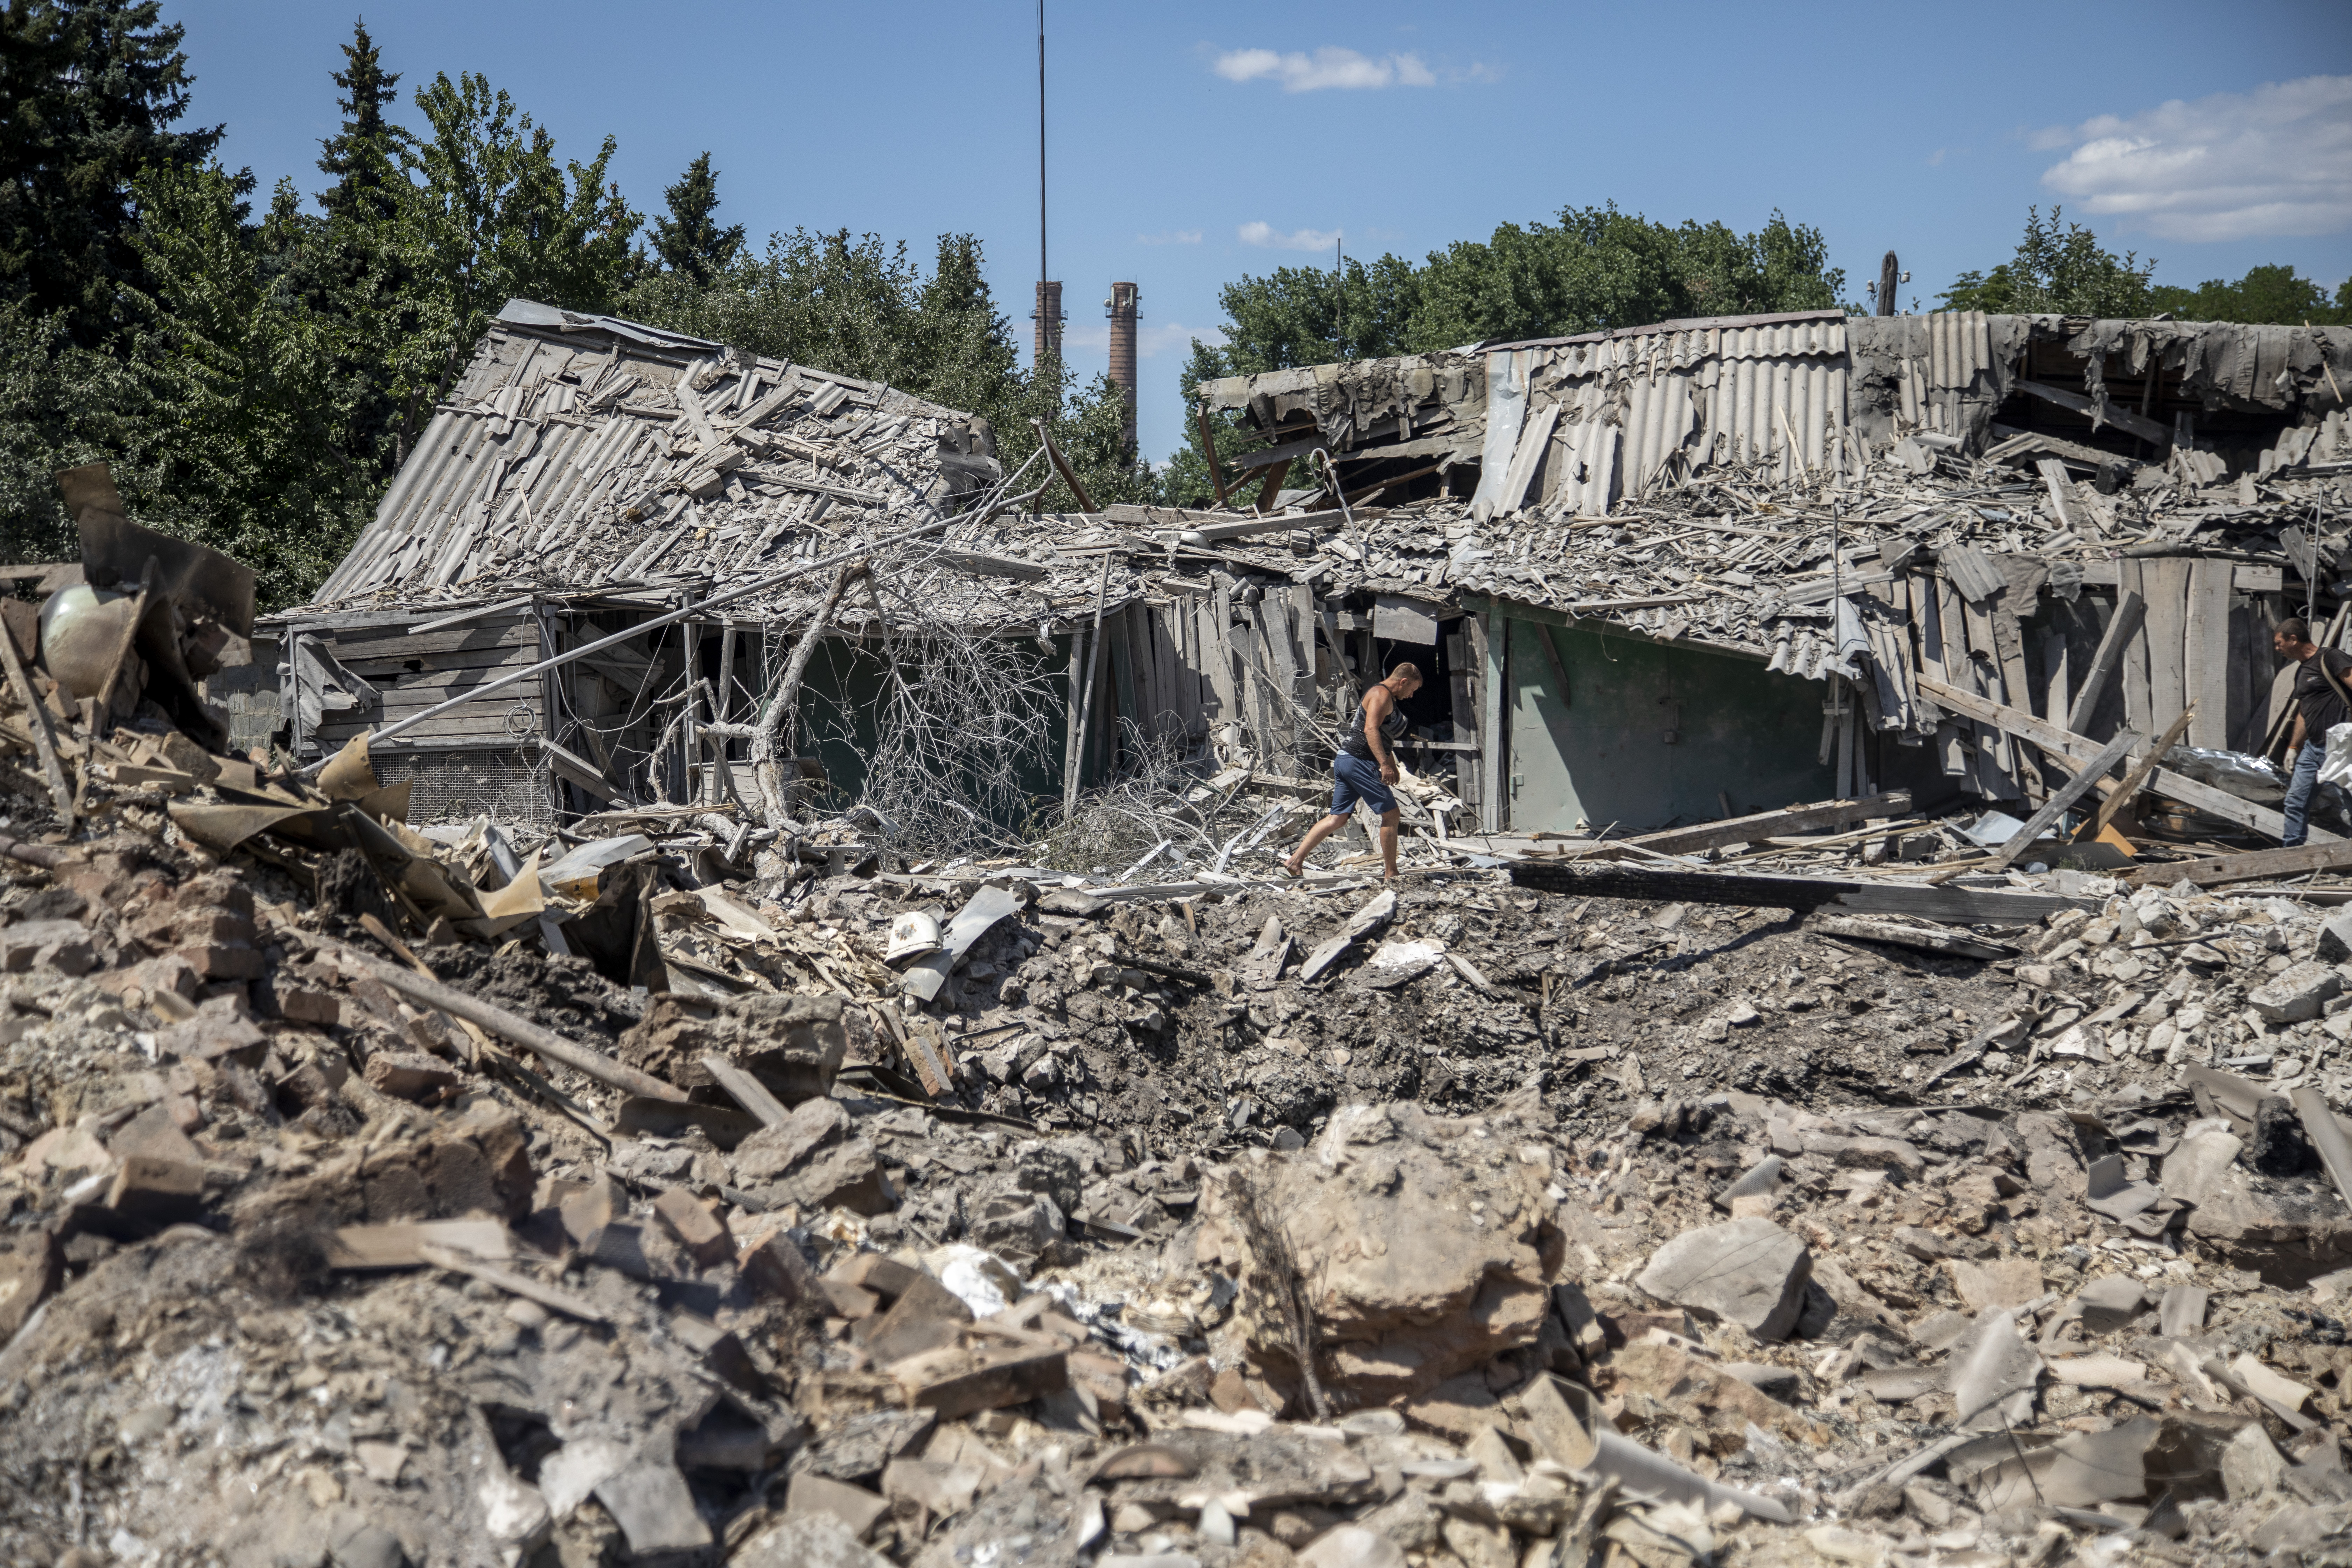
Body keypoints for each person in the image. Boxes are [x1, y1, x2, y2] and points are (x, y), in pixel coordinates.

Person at [1283, 662, 1425, 882]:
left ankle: (1295, 861)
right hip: (1359, 762)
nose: (1412, 695)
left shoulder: (1386, 696)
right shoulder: (1381, 694)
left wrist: (1391, 763)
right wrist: (1383, 765)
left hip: (1346, 760)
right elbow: (1370, 730)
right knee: (1391, 815)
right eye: (1413, 690)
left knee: (1337, 818)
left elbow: (1382, 736)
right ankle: (1391, 873)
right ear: (1403, 681)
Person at [2275, 616, 2352, 847]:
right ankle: (2292, 855)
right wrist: (2293, 747)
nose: (2278, 649)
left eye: (2280, 643)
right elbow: (2304, 713)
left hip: (2342, 749)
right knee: (2295, 802)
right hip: (2314, 749)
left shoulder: (2331, 658)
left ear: (2293, 639)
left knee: (2350, 802)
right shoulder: (2301, 671)